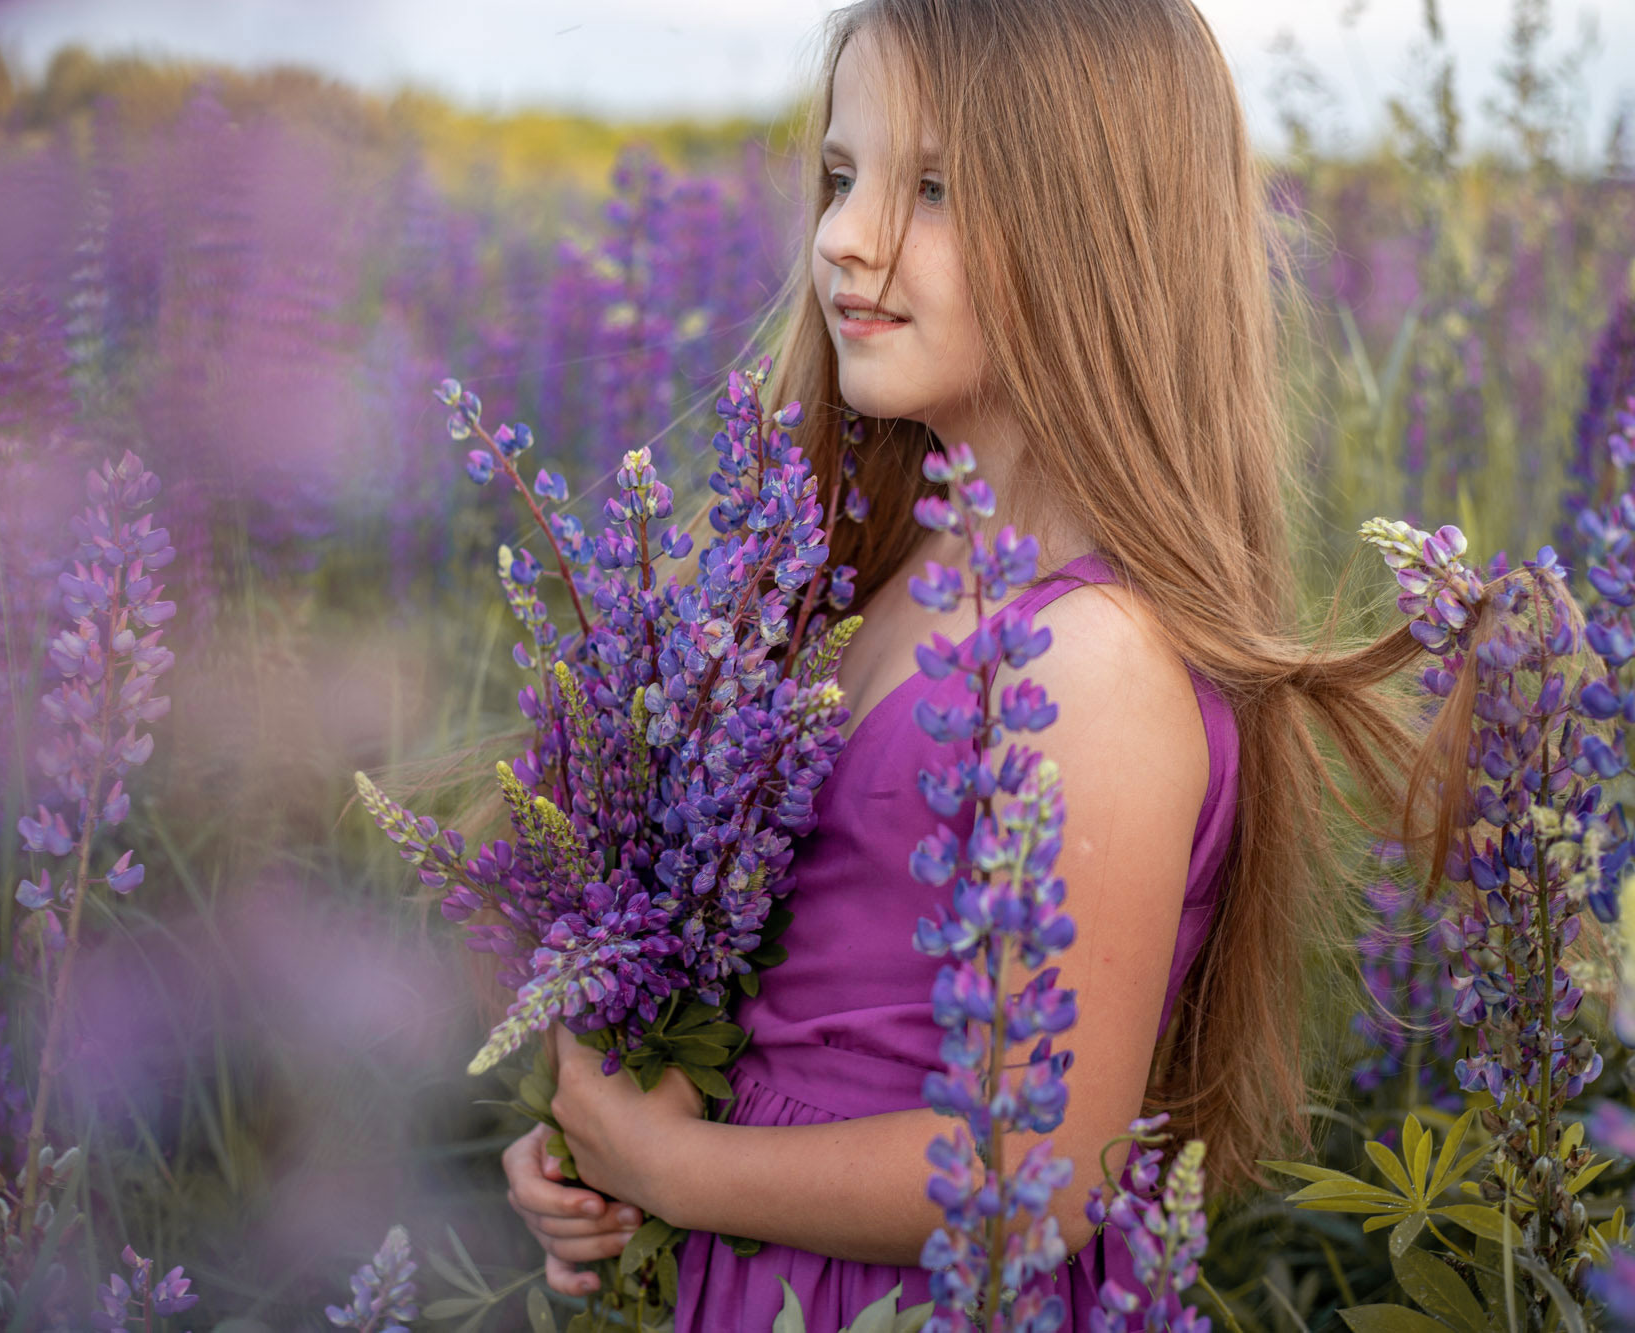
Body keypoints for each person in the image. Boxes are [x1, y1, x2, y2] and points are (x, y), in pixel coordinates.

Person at [502, 1, 1442, 1328]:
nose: (845, 235)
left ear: (1102, 236)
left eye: (933, 188)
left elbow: (1035, 1171)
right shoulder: (868, 576)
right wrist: (604, 1153)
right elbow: (743, 987)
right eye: (842, 176)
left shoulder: (1096, 661)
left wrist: (672, 1163)